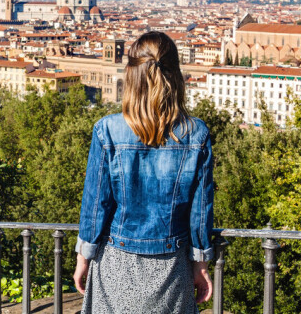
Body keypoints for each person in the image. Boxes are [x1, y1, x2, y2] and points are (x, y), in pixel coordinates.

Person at [73, 31, 214, 313]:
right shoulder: (196, 133)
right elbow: (200, 212)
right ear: (176, 75)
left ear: (132, 77)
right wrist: (200, 264)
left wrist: (83, 258)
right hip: (172, 267)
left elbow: (95, 204)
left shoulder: (107, 130)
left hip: (116, 263)